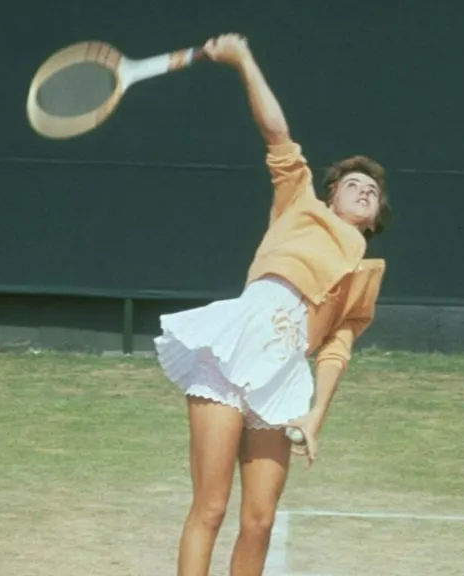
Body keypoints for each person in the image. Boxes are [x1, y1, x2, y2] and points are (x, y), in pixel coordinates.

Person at [153, 33, 392, 576]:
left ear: (374, 218)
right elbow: (277, 134)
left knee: (259, 520)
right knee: (211, 507)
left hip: (285, 373)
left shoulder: (365, 275)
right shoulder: (299, 206)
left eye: (371, 192)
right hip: (235, 344)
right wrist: (242, 60)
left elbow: (335, 350)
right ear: (331, 195)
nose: (361, 191)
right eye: (352, 184)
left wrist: (315, 418)